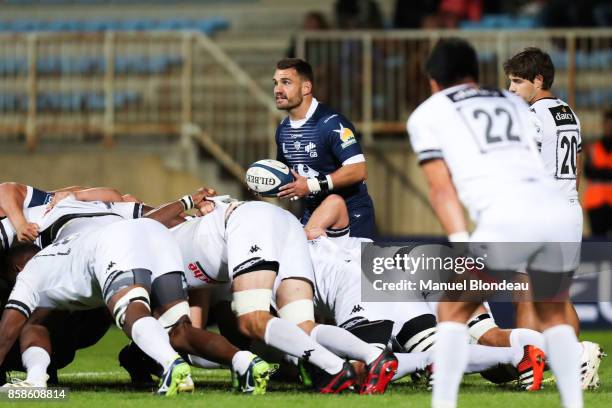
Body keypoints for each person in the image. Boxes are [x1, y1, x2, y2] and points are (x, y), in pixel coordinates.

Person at [407, 38, 582, 408]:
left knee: (452, 308)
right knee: (554, 313)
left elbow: (441, 189)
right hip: (558, 208)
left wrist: (460, 240)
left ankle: (443, 404)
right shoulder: (511, 103)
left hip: (510, 214)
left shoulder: (428, 112)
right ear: (474, 72)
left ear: (433, 80)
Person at [504, 47, 603, 390]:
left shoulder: (531, 117)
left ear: (538, 80)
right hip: (567, 209)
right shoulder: (569, 113)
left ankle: (532, 369)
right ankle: (578, 361)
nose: (512, 89)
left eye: (517, 81)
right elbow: (574, 168)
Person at [273, 58, 376, 239]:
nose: (277, 90)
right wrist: (265, 183)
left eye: (286, 82)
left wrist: (311, 185)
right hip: (313, 214)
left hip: (353, 215)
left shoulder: (331, 123)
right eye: (276, 83)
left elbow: (359, 170)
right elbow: (287, 175)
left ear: (306, 88)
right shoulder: (283, 130)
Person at [584, 110, 612, 237]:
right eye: (608, 123)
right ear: (603, 124)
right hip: (595, 204)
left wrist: (600, 171)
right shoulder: (593, 148)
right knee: (598, 243)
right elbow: (589, 172)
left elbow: (595, 172)